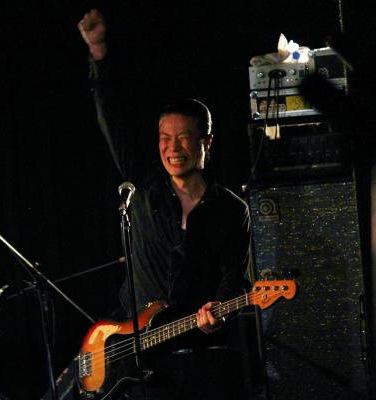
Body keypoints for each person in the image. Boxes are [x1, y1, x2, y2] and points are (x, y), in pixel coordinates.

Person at [77, 10, 252, 399]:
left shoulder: (231, 209)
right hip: (135, 353)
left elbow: (232, 277)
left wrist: (218, 310)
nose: (173, 148)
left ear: (206, 142)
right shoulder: (144, 185)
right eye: (165, 138)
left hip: (195, 354)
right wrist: (99, 53)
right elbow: (113, 121)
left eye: (184, 137)